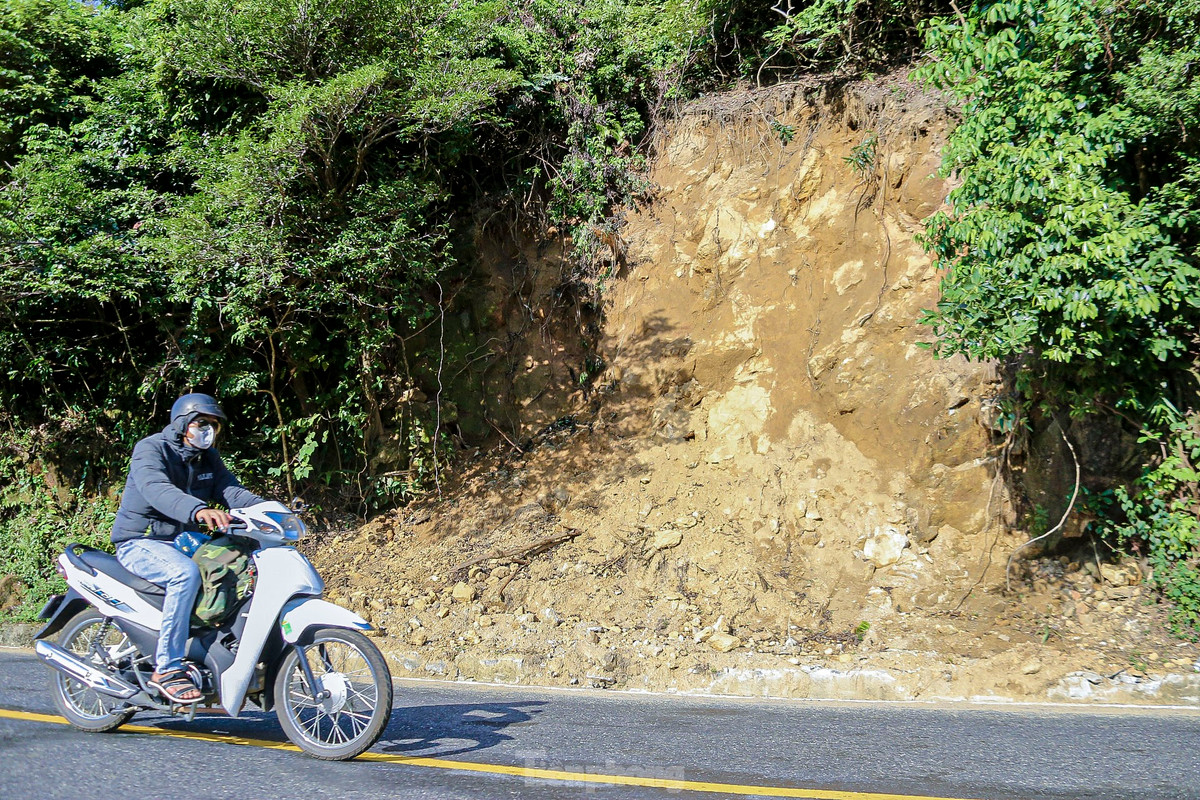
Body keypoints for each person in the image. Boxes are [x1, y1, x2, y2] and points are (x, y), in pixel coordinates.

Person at [110, 393, 264, 704]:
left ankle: (216, 648)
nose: (208, 429)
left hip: (185, 542)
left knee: (239, 565)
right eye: (202, 423)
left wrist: (270, 510)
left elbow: (230, 490)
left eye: (214, 425)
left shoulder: (208, 458)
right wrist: (198, 511)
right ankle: (166, 667)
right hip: (142, 541)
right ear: (182, 424)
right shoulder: (151, 449)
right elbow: (157, 489)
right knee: (185, 575)